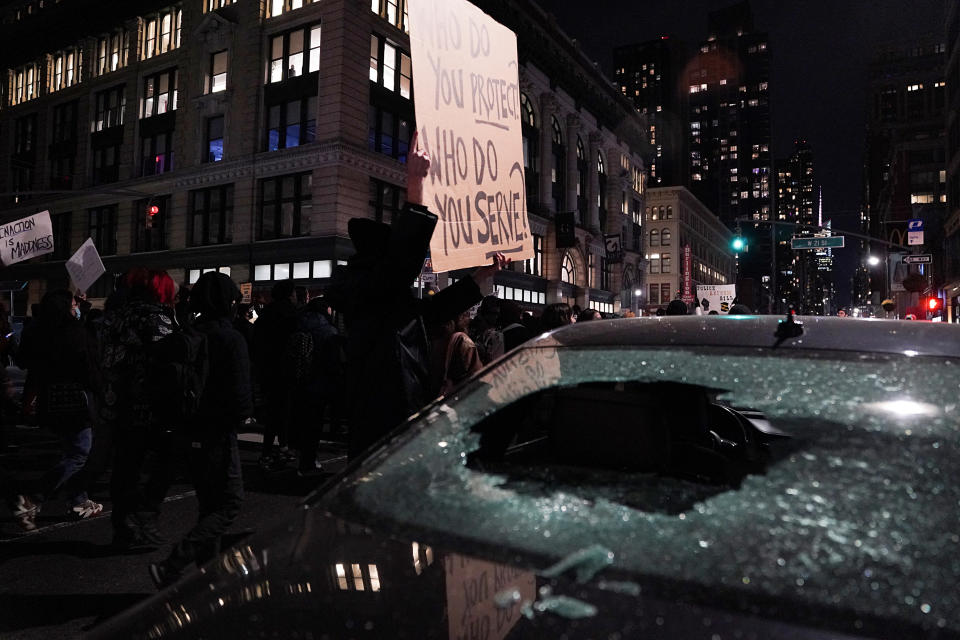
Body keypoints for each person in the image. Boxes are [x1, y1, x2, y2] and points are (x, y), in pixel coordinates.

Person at [328, 130, 507, 459]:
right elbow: (401, 264)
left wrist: (480, 276)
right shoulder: (366, 287)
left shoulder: (381, 293)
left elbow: (431, 312)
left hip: (398, 404)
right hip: (381, 411)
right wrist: (415, 185)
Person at [150, 272, 251, 588]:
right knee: (228, 503)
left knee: (210, 504)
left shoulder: (189, 334)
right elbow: (240, 394)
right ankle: (172, 565)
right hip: (217, 431)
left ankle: (211, 578)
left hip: (186, 429)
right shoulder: (230, 337)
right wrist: (241, 417)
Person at [101, 268, 177, 549]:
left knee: (125, 466)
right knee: (165, 461)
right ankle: (143, 516)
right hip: (148, 404)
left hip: (117, 402)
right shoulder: (155, 316)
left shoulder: (116, 315)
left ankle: (123, 526)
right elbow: (168, 360)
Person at [14, 289, 101, 530]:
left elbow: (22, 360)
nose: (76, 306)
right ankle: (35, 497)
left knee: (70, 448)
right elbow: (89, 368)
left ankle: (78, 500)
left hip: (49, 399)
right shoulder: (74, 332)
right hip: (75, 400)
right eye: (73, 303)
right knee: (80, 452)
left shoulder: (38, 331)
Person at [252, 281, 299, 470]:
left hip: (269, 369)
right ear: (289, 294)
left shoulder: (266, 315)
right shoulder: (292, 314)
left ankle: (269, 450)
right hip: (287, 369)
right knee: (285, 410)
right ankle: (282, 447)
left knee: (272, 410)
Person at [430, 309, 484, 398]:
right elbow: (475, 373)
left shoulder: (438, 339)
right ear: (460, 317)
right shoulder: (463, 340)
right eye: (467, 314)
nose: (469, 318)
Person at [469, 296, 504, 365]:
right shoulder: (472, 331)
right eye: (493, 313)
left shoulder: (496, 336)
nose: (496, 317)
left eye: (497, 314)